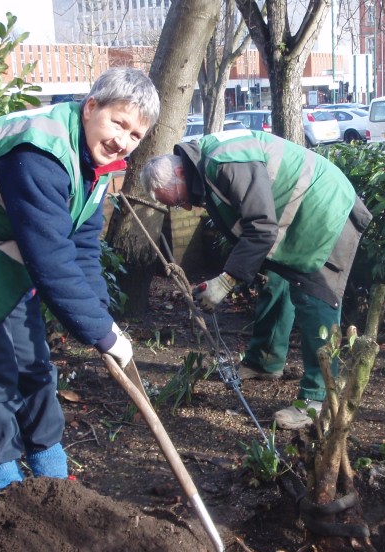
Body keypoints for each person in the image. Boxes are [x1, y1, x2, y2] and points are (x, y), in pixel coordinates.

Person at [0, 67, 160, 489]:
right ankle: (6, 486)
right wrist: (100, 333)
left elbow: (81, 244)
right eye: (119, 123)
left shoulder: (93, 163)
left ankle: (52, 478)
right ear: (91, 107)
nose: (123, 141)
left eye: (135, 135)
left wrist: (102, 318)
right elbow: (52, 258)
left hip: (1, 257)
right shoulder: (39, 150)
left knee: (34, 364)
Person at [141, 129, 372, 430]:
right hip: (299, 211)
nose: (184, 207)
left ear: (180, 172)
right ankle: (264, 361)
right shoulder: (205, 166)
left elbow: (261, 227)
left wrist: (226, 281)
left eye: (179, 200)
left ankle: (318, 399)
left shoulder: (225, 163)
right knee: (275, 281)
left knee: (315, 295)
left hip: (324, 209)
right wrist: (229, 276)